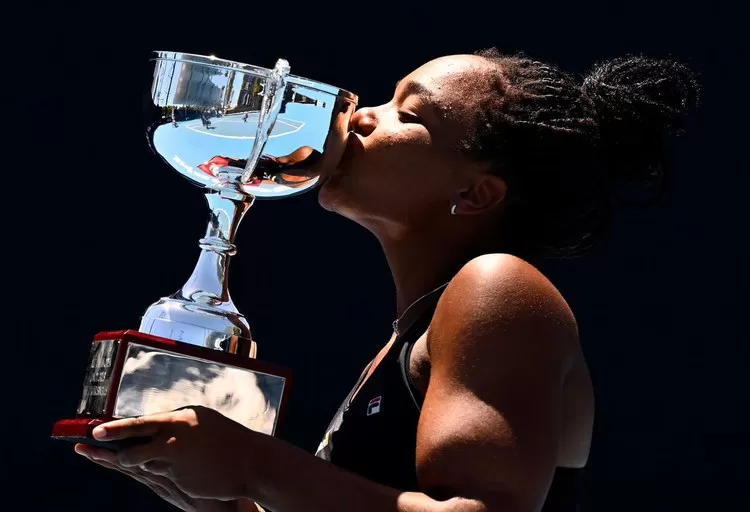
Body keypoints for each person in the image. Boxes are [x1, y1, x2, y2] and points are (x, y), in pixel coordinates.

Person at [75, 48, 699, 512]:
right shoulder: (417, 329)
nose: (362, 116)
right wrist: (215, 493)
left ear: (475, 193)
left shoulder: (498, 289)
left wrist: (253, 466)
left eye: (409, 112)